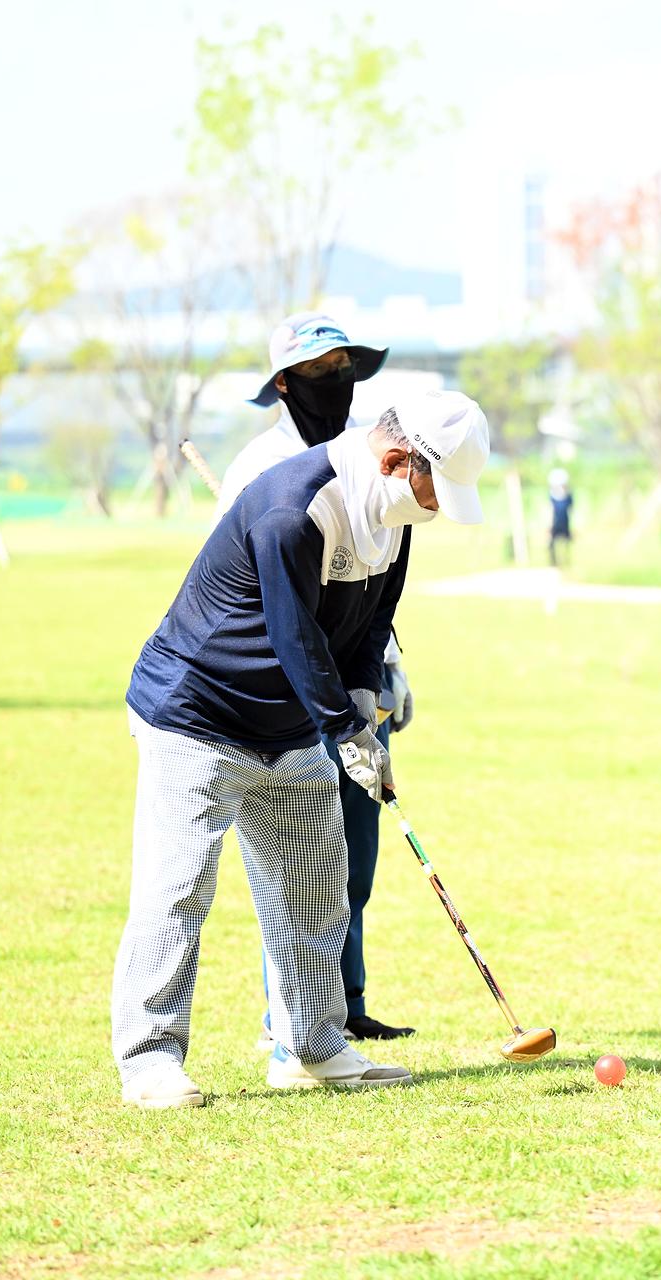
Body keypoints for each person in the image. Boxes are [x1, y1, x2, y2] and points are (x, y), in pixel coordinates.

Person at [111, 390, 490, 1108]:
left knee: (315, 890)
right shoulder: (295, 506)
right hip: (196, 714)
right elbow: (293, 636)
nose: (438, 507)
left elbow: (374, 617)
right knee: (178, 887)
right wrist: (343, 732)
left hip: (290, 727)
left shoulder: (394, 517)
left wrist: (365, 701)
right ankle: (150, 1061)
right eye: (435, 487)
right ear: (395, 458)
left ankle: (311, 1046)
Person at [220, 312, 419, 1044]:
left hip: (357, 689)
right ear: (281, 385)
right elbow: (269, 605)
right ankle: (294, 1022)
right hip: (285, 700)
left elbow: (372, 586)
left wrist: (385, 675)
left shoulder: (371, 457)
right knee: (300, 870)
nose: (334, 383)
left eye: (343, 368)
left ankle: (345, 1007)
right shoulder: (257, 472)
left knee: (354, 861)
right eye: (316, 371)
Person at [547, 467, 574, 567]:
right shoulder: (552, 496)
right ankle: (553, 563)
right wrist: (549, 525)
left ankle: (566, 561)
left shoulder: (568, 496)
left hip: (565, 522)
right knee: (551, 543)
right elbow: (550, 510)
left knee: (566, 543)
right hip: (555, 523)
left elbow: (571, 511)